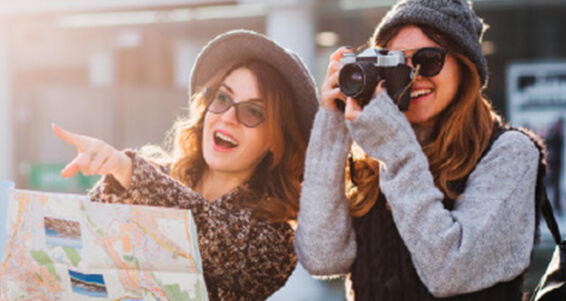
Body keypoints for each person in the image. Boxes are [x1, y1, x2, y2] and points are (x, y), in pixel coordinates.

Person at [295, 0, 546, 300]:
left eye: (428, 61)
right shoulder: (376, 154)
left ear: (465, 65)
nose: (412, 76)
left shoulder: (511, 153)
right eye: (397, 63)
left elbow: (450, 271)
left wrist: (396, 151)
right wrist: (332, 123)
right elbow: (322, 257)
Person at [53, 30, 318, 300]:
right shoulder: (142, 176)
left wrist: (128, 171)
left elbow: (209, 232)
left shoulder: (275, 240)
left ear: (276, 142)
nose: (228, 117)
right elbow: (80, 257)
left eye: (253, 112)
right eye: (223, 98)